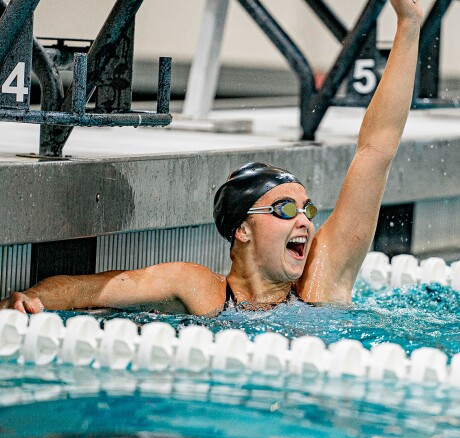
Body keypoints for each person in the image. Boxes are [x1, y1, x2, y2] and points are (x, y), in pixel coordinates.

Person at [0, 0, 423, 316]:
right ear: (242, 229)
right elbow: (95, 289)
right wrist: (34, 299)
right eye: (286, 208)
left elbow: (376, 150)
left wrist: (408, 25)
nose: (306, 221)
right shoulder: (200, 290)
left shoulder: (323, 281)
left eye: (307, 208)